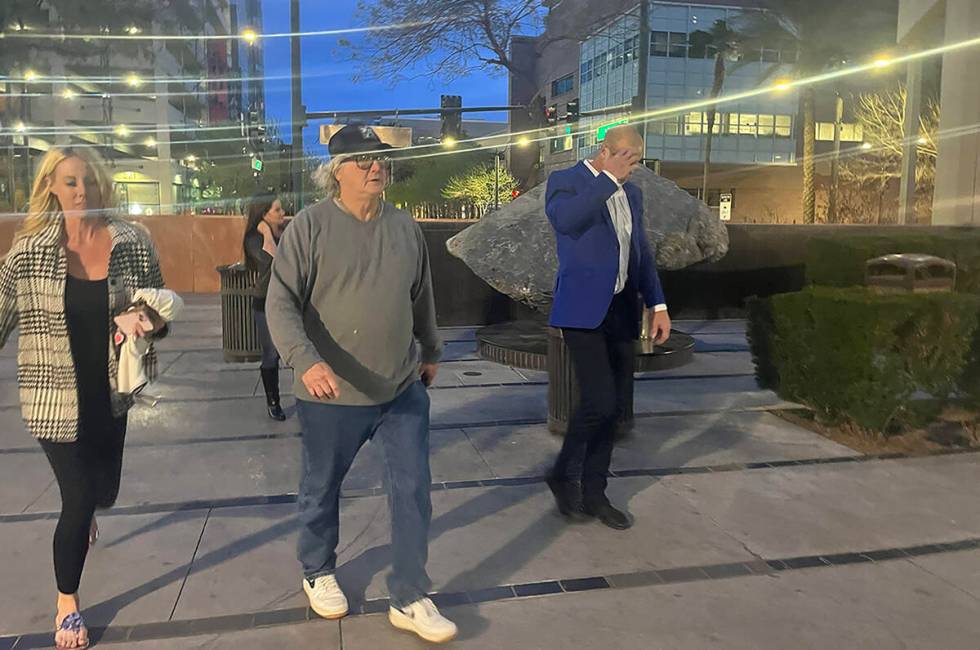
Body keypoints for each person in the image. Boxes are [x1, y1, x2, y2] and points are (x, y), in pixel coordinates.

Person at [266, 124, 457, 644]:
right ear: (336, 173)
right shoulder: (309, 228)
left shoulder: (404, 227)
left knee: (413, 489)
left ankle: (409, 594)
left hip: (399, 388)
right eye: (364, 161)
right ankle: (317, 568)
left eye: (380, 160)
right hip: (331, 394)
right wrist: (304, 360)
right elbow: (280, 302)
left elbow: (422, 296)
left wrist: (432, 349)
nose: (377, 168)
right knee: (322, 488)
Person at [0, 147, 168, 649]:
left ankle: (89, 508)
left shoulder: (132, 242)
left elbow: (161, 305)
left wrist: (152, 321)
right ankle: (67, 602)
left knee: (101, 492)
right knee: (76, 498)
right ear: (50, 185)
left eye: (89, 182)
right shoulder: (29, 251)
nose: (82, 192)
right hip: (51, 397)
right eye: (70, 182)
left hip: (112, 392)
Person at [544, 124, 671, 531]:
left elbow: (641, 252)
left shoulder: (633, 194)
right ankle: (563, 473)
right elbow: (565, 221)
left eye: (637, 161)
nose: (633, 169)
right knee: (598, 400)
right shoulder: (566, 181)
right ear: (605, 151)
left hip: (621, 309)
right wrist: (608, 180)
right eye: (627, 159)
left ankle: (595, 492)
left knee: (613, 408)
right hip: (581, 310)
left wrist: (658, 303)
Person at [243, 193, 288, 420]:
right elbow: (271, 260)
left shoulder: (289, 232)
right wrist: (266, 232)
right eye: (277, 210)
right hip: (265, 302)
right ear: (263, 215)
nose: (283, 213)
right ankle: (273, 401)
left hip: (291, 302)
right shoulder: (254, 238)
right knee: (271, 354)